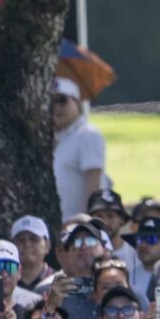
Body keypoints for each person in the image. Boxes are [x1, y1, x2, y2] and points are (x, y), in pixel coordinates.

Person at [52, 78, 107, 217]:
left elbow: (94, 181)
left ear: (76, 102)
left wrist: (87, 220)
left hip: (79, 226)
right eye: (50, 102)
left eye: (62, 100)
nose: (56, 107)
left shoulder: (87, 134)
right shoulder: (59, 137)